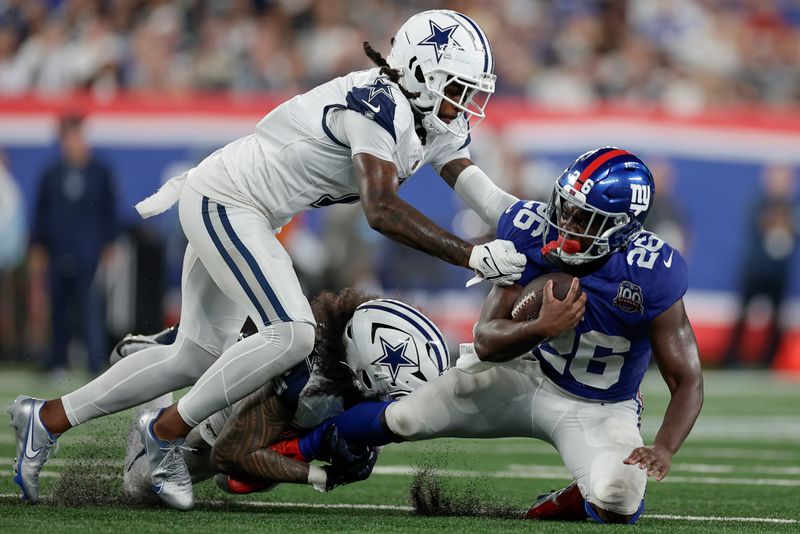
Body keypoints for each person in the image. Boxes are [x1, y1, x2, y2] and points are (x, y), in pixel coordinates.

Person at [9, 10, 525, 510]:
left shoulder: (428, 117)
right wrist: (473, 254)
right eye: (457, 87)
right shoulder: (379, 104)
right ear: (418, 73)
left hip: (244, 208)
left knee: (194, 356)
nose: (467, 101)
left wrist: (533, 223)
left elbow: (480, 188)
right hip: (230, 201)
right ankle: (165, 432)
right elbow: (382, 209)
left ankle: (48, 419)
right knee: (293, 333)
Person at [277, 147, 704, 525]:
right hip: (524, 375)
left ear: (621, 229)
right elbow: (486, 341)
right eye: (566, 207)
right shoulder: (532, 230)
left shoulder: (652, 274)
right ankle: (293, 447)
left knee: (619, 499)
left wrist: (664, 447)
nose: (566, 223)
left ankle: (568, 502)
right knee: (405, 416)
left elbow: (687, 380)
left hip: (602, 407)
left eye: (584, 218)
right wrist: (541, 328)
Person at [117, 289, 449, 501]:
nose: (393, 403)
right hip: (227, 418)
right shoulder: (305, 384)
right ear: (365, 371)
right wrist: (320, 475)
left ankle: (179, 352)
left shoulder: (346, 364)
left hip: (259, 393)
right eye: (392, 393)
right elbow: (227, 456)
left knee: (248, 476)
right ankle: (148, 363)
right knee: (141, 487)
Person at [28, 113, 118, 375]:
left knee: (90, 307)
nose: (72, 143)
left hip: (88, 251)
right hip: (58, 249)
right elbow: (41, 212)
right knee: (58, 307)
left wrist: (109, 243)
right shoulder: (51, 173)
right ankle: (56, 360)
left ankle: (94, 362)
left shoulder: (99, 172)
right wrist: (38, 245)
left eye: (75, 136)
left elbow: (108, 211)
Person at [723, 164, 799, 368]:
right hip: (757, 269)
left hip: (778, 272)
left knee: (777, 319)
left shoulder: (792, 205)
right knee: (743, 315)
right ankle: (732, 359)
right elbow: (760, 225)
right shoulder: (759, 202)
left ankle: (768, 361)